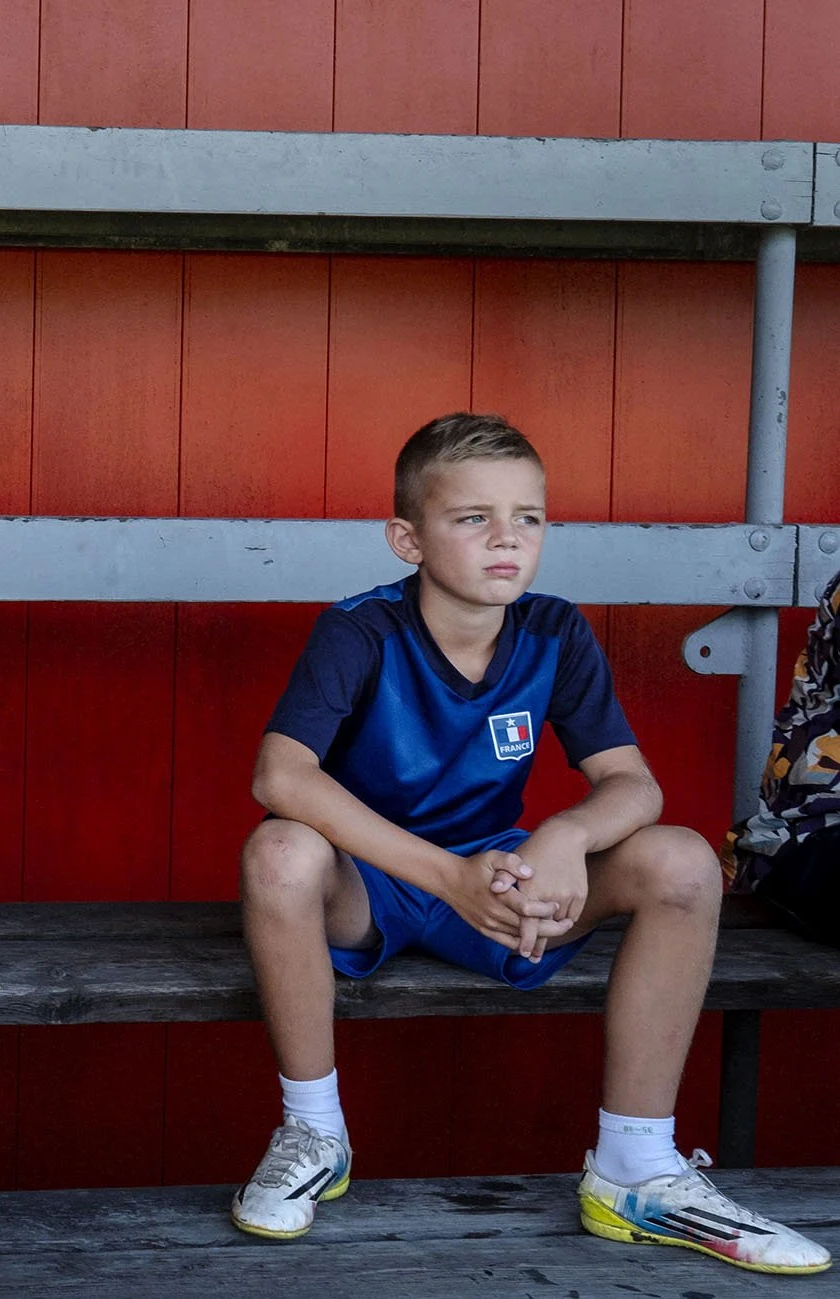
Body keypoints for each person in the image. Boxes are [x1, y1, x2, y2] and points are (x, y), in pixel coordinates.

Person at [231, 413, 826, 1274]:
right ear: (408, 537)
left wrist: (562, 834)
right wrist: (448, 877)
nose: (505, 538)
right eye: (473, 518)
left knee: (684, 860)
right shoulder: (359, 631)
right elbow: (279, 778)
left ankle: (635, 1165)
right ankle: (314, 1133)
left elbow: (634, 784)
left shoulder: (552, 629)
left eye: (529, 517)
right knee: (280, 851)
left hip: (502, 876)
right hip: (378, 880)